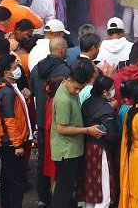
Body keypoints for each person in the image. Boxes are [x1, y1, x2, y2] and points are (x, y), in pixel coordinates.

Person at [52, 62, 103, 208]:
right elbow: (62, 128)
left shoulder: (68, 89)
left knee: (65, 189)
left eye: (80, 89)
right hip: (66, 151)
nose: (77, 92)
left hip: (71, 149)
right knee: (64, 191)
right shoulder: (64, 100)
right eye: (75, 88)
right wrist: (87, 130)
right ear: (68, 80)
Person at [0, 55, 32, 208]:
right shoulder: (7, 92)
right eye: (15, 67)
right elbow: (9, 120)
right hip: (11, 143)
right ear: (6, 72)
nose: (18, 69)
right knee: (16, 182)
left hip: (8, 141)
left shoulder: (9, 88)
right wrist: (17, 145)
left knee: (8, 178)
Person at [78, 76, 119, 208]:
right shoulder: (105, 109)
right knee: (103, 191)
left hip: (86, 147)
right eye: (112, 89)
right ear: (105, 92)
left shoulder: (87, 103)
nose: (114, 91)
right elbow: (111, 135)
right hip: (100, 150)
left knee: (91, 189)